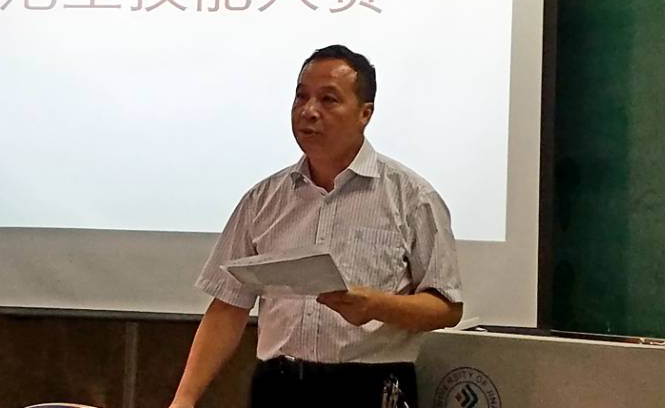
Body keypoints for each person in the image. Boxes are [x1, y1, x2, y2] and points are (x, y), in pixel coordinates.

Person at [168, 45, 463, 408]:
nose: (308, 111)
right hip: (278, 385)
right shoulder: (263, 199)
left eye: (328, 99)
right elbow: (229, 305)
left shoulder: (412, 197)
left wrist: (375, 305)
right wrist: (184, 399)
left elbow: (447, 307)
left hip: (369, 387)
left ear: (365, 113)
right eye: (301, 97)